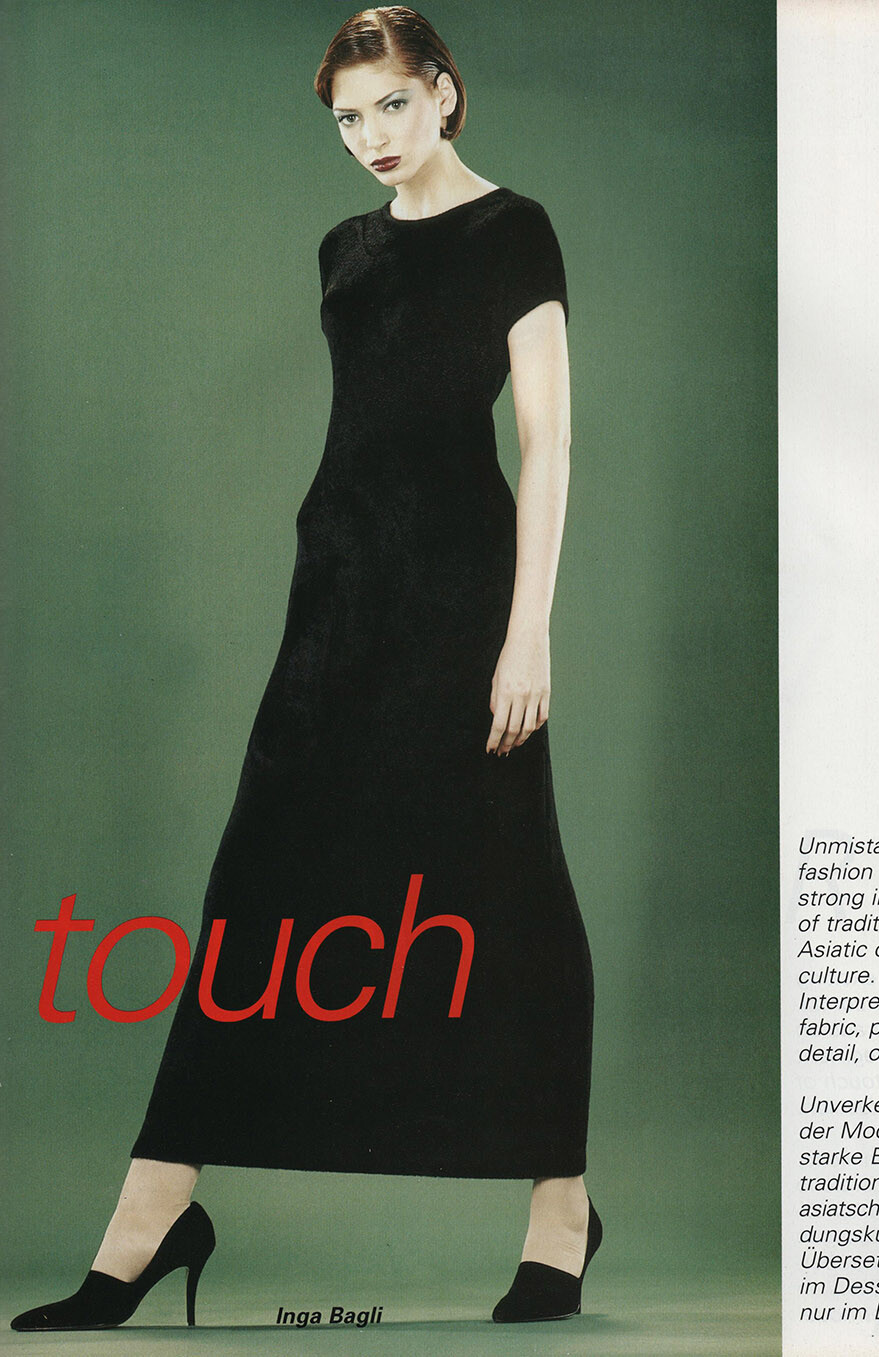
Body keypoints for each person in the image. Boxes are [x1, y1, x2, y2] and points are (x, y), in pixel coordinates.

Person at [12, 5, 600, 1331]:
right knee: (258, 892)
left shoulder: (516, 230)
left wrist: (528, 630)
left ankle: (561, 1215)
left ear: (443, 92)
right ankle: (150, 1218)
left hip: (464, 598)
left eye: (391, 104)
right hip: (335, 593)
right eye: (346, 118)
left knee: (505, 888)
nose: (370, 137)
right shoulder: (343, 248)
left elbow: (548, 443)